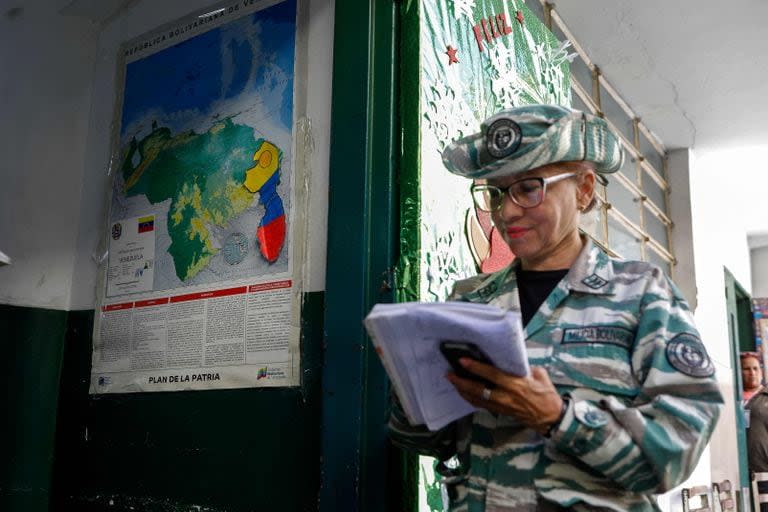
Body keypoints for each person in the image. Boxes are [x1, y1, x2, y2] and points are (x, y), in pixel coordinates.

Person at [389, 104, 724, 511]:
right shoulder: (470, 302)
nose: (507, 211)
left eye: (529, 188)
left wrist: (558, 418)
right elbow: (428, 441)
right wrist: (410, 384)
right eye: (495, 192)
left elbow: (676, 454)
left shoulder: (642, 296)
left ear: (584, 189)